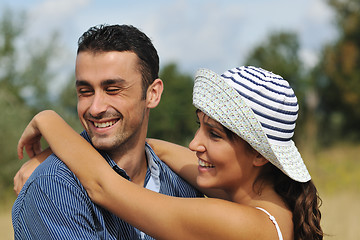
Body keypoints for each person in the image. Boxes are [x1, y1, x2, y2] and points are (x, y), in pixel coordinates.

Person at [17, 66, 324, 240]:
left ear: (259, 155)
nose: (194, 144)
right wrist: (55, 154)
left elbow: (102, 187)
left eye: (214, 135)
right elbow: (154, 148)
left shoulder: (239, 224)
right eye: (199, 127)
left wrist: (48, 120)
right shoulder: (273, 205)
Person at [12, 24, 203, 240]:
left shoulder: (183, 184)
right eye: (85, 92)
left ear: (152, 94)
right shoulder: (54, 187)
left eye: (113, 90)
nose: (95, 108)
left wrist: (50, 124)